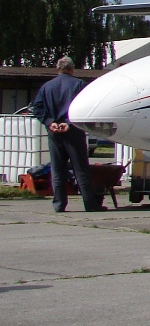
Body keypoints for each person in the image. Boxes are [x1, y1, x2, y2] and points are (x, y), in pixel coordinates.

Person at [29, 57, 103, 212]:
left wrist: (50, 122)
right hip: (74, 131)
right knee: (81, 169)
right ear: (72, 69)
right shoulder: (79, 85)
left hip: (54, 132)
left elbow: (37, 108)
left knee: (57, 169)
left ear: (58, 69)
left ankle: (59, 204)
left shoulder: (46, 87)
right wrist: (69, 122)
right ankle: (90, 204)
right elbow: (87, 106)